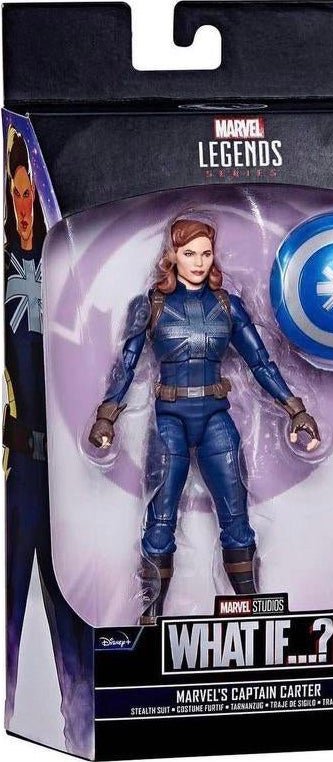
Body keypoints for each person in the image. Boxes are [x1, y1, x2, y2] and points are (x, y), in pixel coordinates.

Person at [89, 218, 320, 623]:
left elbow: (260, 362)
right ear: (173, 255)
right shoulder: (151, 305)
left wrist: (295, 410)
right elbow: (126, 365)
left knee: (237, 520)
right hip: (169, 421)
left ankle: (251, 613)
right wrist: (106, 416)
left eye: (206, 253)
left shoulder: (228, 306)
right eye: (189, 253)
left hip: (215, 417)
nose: (198, 262)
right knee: (161, 521)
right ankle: (151, 618)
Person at [4, 126, 92, 755]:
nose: (23, 204)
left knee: (73, 612)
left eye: (31, 191)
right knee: (9, 610)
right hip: (20, 469)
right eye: (15, 191)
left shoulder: (75, 263)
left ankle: (84, 724)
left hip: (68, 470)